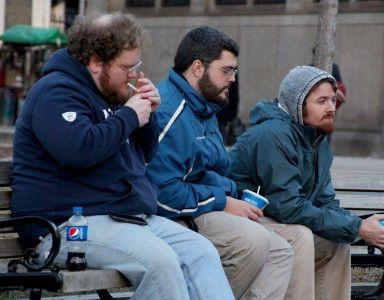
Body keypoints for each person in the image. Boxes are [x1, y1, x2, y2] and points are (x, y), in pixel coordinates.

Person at [11, 14, 234, 300]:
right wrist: (129, 116)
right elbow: (79, 149)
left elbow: (141, 156)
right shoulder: (55, 91)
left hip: (121, 216)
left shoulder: (108, 94)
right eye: (126, 67)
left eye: (136, 66)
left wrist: (149, 117)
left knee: (201, 252)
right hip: (65, 226)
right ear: (94, 61)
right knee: (161, 264)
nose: (133, 75)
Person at [146, 26, 294, 300]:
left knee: (281, 252)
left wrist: (232, 192)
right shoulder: (168, 111)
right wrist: (223, 201)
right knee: (254, 242)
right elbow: (160, 194)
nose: (232, 79)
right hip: (172, 216)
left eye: (234, 71)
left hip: (200, 205)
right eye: (226, 71)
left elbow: (208, 172)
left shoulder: (204, 107)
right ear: (198, 67)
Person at [228, 65, 384, 300]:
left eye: (333, 100)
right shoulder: (274, 134)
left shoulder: (317, 138)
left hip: (275, 220)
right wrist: (357, 227)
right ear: (298, 104)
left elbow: (324, 202)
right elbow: (288, 206)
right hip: (239, 220)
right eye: (322, 101)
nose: (331, 108)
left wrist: (359, 225)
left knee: (335, 243)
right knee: (301, 237)